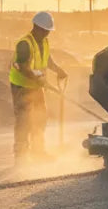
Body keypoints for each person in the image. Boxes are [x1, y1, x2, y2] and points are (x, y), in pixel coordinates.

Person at [9, 11, 68, 164]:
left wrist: (58, 70)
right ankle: (21, 156)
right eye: (45, 30)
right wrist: (38, 78)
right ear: (36, 27)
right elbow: (23, 67)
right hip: (22, 87)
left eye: (48, 31)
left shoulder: (44, 42)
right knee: (24, 121)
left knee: (40, 118)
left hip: (37, 87)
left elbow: (47, 60)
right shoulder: (24, 44)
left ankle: (38, 152)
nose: (47, 33)